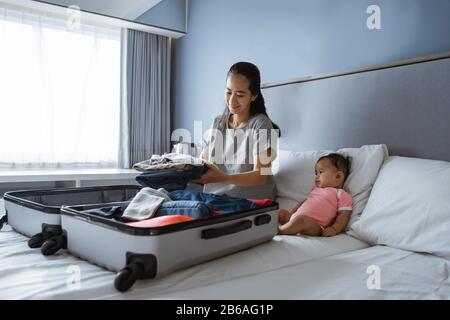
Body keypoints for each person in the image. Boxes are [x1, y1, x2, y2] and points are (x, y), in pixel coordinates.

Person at [194, 62, 280, 200]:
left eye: (240, 94)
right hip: (216, 198)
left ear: (253, 95)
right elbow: (203, 161)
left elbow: (261, 176)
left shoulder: (260, 124)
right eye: (228, 92)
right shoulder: (218, 123)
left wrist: (223, 177)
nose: (232, 100)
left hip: (251, 202)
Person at [278, 153, 353, 237]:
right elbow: (304, 202)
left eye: (321, 172)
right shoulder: (315, 189)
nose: (316, 177)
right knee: (279, 212)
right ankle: (264, 227)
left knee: (302, 220)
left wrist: (334, 229)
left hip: (315, 226)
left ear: (338, 176)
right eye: (316, 173)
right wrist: (291, 215)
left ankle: (280, 230)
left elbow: (344, 215)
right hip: (295, 219)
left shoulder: (341, 194)